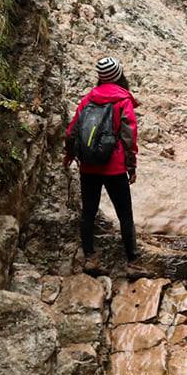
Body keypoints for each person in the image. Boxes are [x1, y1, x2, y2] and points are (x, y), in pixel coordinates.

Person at [65, 56, 139, 269]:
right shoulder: (122, 100)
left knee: (88, 210)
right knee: (124, 213)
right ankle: (132, 261)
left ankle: (90, 257)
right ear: (118, 76)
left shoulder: (87, 100)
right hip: (114, 167)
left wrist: (70, 156)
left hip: (89, 166)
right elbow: (129, 135)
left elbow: (72, 132)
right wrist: (131, 165)